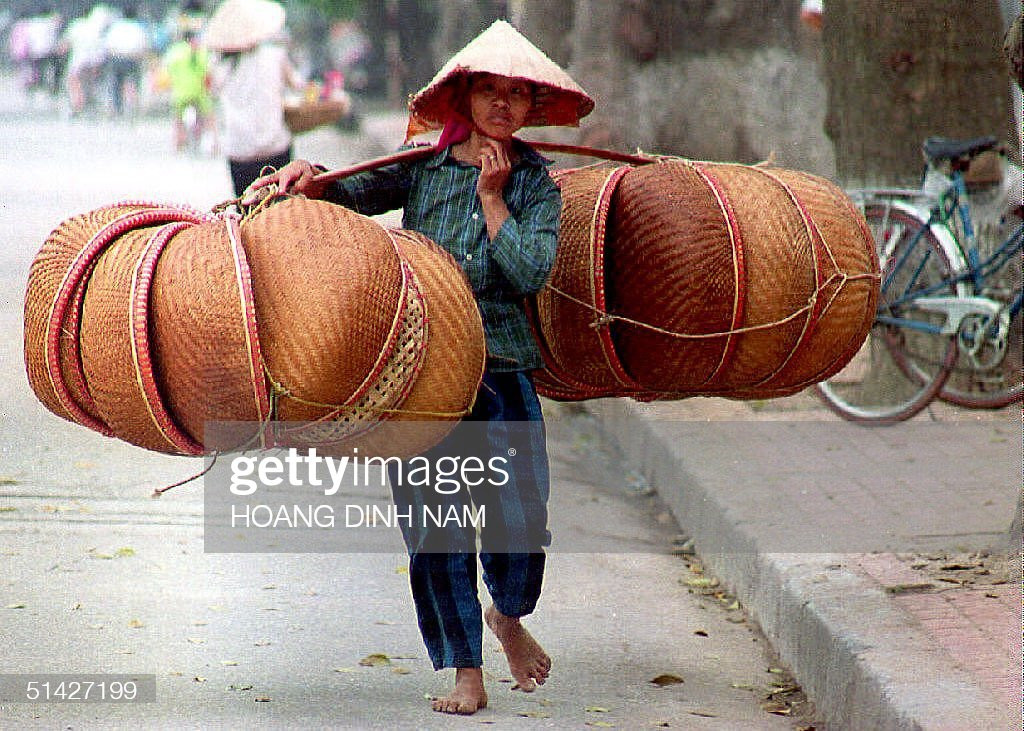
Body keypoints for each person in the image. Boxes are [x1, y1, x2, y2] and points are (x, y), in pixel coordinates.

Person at [246, 19, 594, 717]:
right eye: (489, 90)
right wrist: (307, 176)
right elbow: (343, 195)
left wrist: (492, 200)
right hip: (423, 376)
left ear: (532, 106)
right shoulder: (422, 164)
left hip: (502, 371)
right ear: (463, 97)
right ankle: (465, 667)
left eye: (516, 94)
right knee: (436, 529)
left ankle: (508, 616)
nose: (502, 104)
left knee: (520, 521)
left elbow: (529, 271)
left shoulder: (535, 185)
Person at [205, 0, 302, 196]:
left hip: (239, 150)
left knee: (246, 206)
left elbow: (211, 91)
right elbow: (298, 85)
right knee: (281, 207)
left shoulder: (219, 65)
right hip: (274, 145)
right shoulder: (275, 55)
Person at [161, 28, 213, 152]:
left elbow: (167, 70)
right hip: (199, 91)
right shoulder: (200, 51)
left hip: (180, 92)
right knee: (208, 116)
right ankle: (215, 144)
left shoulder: (174, 51)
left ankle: (178, 143)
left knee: (178, 118)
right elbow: (208, 70)